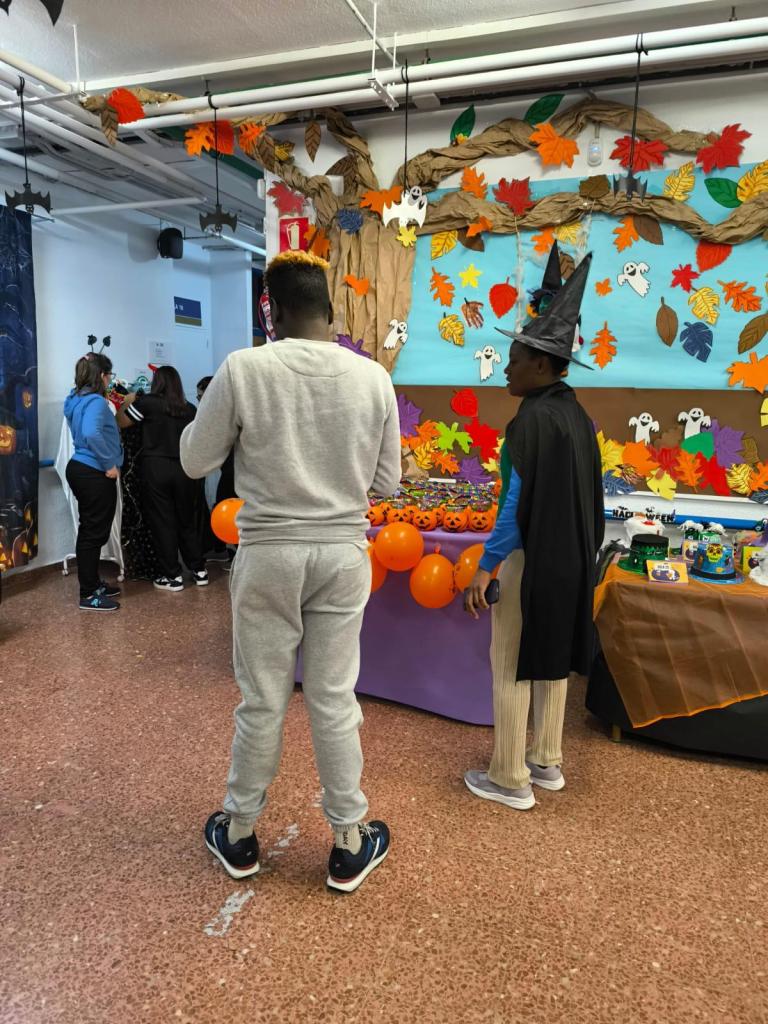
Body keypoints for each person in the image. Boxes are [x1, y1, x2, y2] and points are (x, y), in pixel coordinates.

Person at [179, 250, 401, 892]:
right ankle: (350, 840)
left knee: (262, 699)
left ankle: (240, 832)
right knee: (334, 698)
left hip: (269, 552)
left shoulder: (243, 368)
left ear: (270, 311)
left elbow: (194, 460)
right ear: (331, 309)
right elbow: (387, 481)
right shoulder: (373, 378)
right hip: (341, 552)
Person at [464, 252, 604, 811]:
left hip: (530, 558)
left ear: (542, 365)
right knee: (550, 656)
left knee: (511, 663)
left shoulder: (530, 421)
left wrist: (486, 567)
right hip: (571, 560)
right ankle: (546, 759)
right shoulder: (576, 416)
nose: (506, 369)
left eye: (515, 359)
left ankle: (508, 777)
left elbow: (514, 505)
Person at [117, 366, 208, 592]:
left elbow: (123, 422)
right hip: (184, 468)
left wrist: (127, 401)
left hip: (156, 467)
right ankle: (199, 570)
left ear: (157, 382)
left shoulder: (147, 403)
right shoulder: (190, 408)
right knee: (187, 519)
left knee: (163, 521)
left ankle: (173, 576)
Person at [63, 352, 123, 612]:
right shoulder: (97, 402)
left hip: (80, 468)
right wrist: (109, 464)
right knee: (92, 533)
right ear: (101, 375)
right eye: (109, 375)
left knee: (91, 530)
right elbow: (91, 432)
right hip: (93, 471)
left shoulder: (75, 399)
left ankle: (93, 584)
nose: (110, 380)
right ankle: (88, 593)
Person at [197, 375, 236, 568]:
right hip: (228, 468)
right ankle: (220, 549)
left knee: (230, 508)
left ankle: (236, 555)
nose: (199, 401)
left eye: (201, 397)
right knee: (222, 505)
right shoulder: (225, 410)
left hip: (235, 470)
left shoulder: (222, 413)